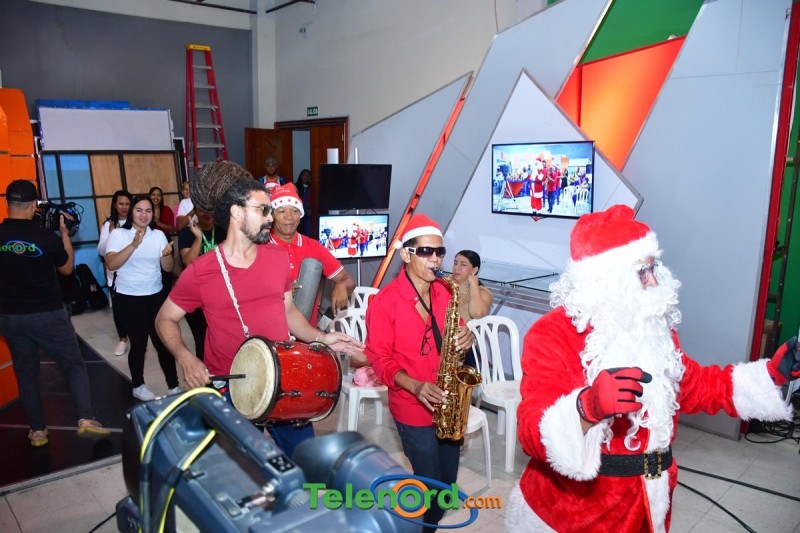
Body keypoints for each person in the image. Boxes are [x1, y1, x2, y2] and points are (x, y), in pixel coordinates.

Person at [506, 205, 800, 533]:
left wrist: (771, 375)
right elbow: (530, 430)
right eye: (642, 271)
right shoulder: (552, 334)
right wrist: (586, 408)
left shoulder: (654, 329)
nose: (654, 281)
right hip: (571, 514)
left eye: (653, 267)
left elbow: (695, 386)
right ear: (606, 279)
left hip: (648, 503)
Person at [156, 161, 363, 457]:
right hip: (231, 387)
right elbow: (165, 318)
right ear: (236, 213)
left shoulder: (277, 258)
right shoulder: (202, 271)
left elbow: (288, 312)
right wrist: (185, 357)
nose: (270, 218)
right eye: (263, 210)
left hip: (283, 378)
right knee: (242, 467)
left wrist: (321, 338)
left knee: (307, 460)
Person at [364, 214, 475, 532]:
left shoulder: (444, 292)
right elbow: (379, 359)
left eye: (440, 252)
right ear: (406, 254)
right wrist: (415, 386)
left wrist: (468, 336)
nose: (435, 259)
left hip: (448, 403)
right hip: (413, 407)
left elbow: (457, 331)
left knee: (447, 485)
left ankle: (428, 524)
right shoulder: (385, 302)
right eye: (426, 251)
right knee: (430, 484)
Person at [0, 180, 111, 447]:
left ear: (7, 203)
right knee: (73, 365)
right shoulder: (45, 238)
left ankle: (38, 432)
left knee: (26, 373)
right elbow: (67, 269)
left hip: (10, 317)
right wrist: (64, 235)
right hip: (48, 314)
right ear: (34, 205)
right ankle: (86, 419)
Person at [105, 195, 181, 401]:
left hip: (155, 295)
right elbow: (111, 264)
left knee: (163, 341)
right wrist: (133, 245)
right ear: (132, 212)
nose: (144, 215)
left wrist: (167, 254)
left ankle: (174, 386)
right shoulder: (119, 234)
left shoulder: (158, 235)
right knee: (139, 343)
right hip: (129, 297)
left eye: (148, 210)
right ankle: (138, 385)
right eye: (139, 210)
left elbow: (167, 268)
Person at [269, 183, 356, 321]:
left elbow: (347, 279)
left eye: (295, 211)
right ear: (272, 215)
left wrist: (342, 285)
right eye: (281, 211)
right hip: (271, 328)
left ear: (301, 214)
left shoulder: (314, 247)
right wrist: (281, 293)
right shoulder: (261, 247)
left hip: (308, 331)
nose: (289, 216)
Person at [176, 205, 226, 361]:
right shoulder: (187, 232)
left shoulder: (223, 231)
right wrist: (198, 238)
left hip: (220, 293)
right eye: (202, 209)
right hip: (196, 295)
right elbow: (188, 261)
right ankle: (204, 372)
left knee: (221, 336)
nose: (207, 213)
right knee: (202, 338)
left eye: (210, 209)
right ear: (195, 211)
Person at [98, 189, 133, 356]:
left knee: (135, 308)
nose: (124, 207)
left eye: (127, 204)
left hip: (134, 273)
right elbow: (101, 250)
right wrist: (112, 234)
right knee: (119, 309)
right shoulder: (109, 224)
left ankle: (137, 336)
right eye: (121, 204)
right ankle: (122, 338)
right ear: (115, 205)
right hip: (116, 275)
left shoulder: (136, 222)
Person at [451, 250, 493, 370]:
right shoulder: (444, 285)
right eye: (455, 263)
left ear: (474, 270)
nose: (457, 268)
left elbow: (478, 314)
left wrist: (473, 284)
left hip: (465, 347)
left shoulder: (483, 293)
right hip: (441, 342)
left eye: (463, 264)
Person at [294, 169, 312, 236]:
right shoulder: (296, 186)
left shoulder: (312, 187)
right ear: (301, 176)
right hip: (298, 213)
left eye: (308, 175)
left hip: (309, 214)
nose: (306, 177)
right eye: (304, 175)